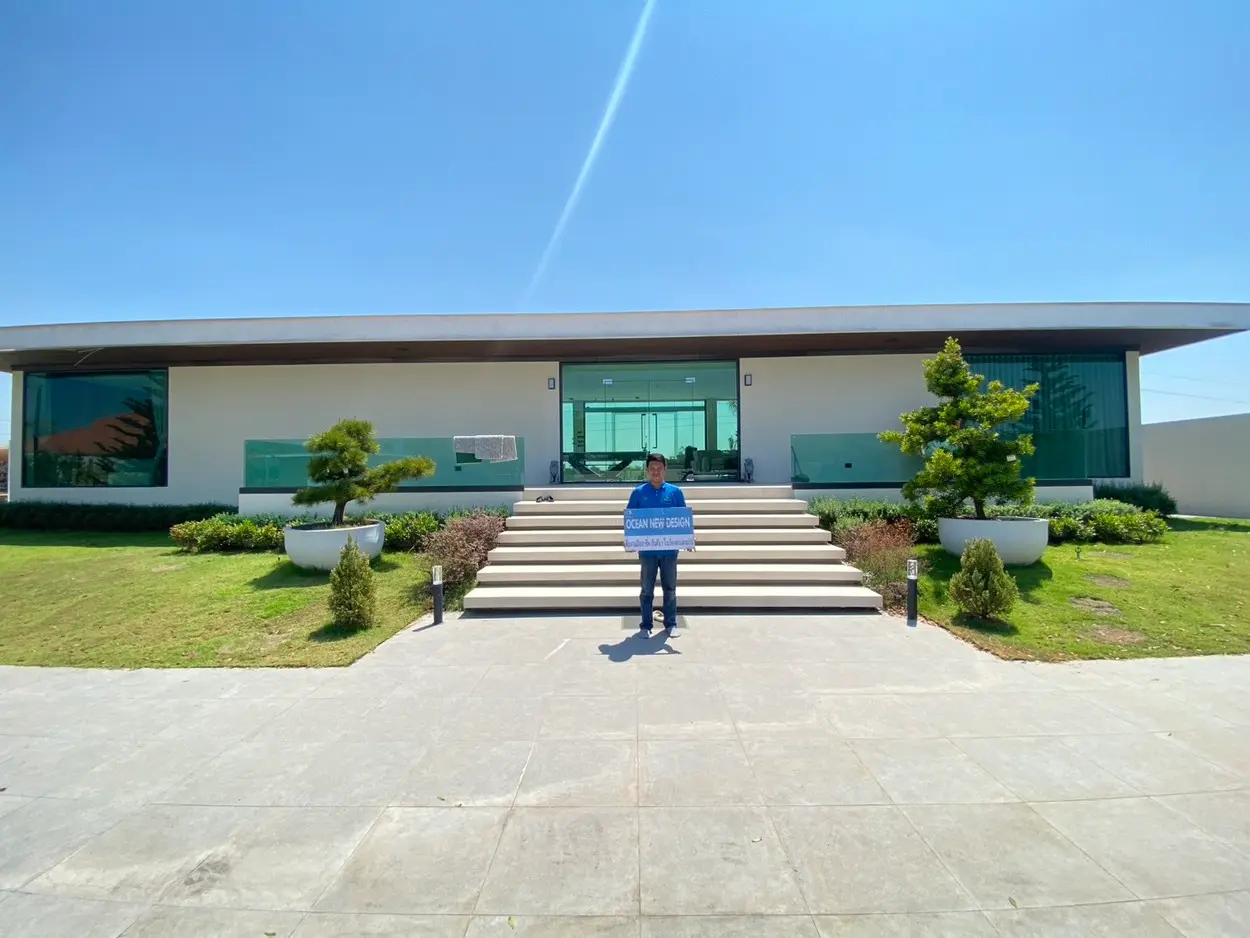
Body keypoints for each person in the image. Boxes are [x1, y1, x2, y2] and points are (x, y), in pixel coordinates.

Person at [626, 452, 687, 636]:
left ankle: (670, 623)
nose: (655, 471)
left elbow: (682, 519)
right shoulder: (638, 493)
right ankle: (646, 625)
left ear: (665, 469)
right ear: (647, 470)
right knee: (646, 590)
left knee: (670, 589)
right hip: (647, 551)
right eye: (652, 468)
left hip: (669, 550)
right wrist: (630, 540)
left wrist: (687, 538)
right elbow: (631, 519)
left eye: (659, 468)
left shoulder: (675, 492)